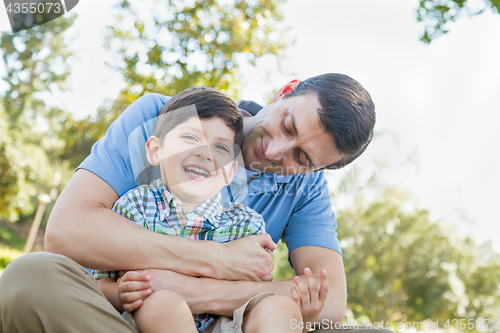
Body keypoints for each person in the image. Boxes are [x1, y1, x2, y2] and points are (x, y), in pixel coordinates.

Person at [0, 73, 386, 333]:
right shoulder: (167, 117)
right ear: (285, 90)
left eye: (302, 158)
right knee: (30, 279)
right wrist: (218, 260)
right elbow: (70, 231)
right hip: (120, 319)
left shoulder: (307, 188)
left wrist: (194, 291)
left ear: (319, 169)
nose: (275, 150)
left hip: (224, 325)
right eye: (287, 125)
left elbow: (330, 302)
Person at [93, 87, 328, 333]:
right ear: (155, 150)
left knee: (279, 307)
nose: (205, 153)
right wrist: (121, 294)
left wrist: (301, 315)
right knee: (163, 302)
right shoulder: (135, 206)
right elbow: (100, 284)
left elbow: (252, 294)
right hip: (149, 320)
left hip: (222, 322)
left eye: (221, 148)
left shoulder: (246, 225)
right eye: (191, 138)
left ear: (231, 171)